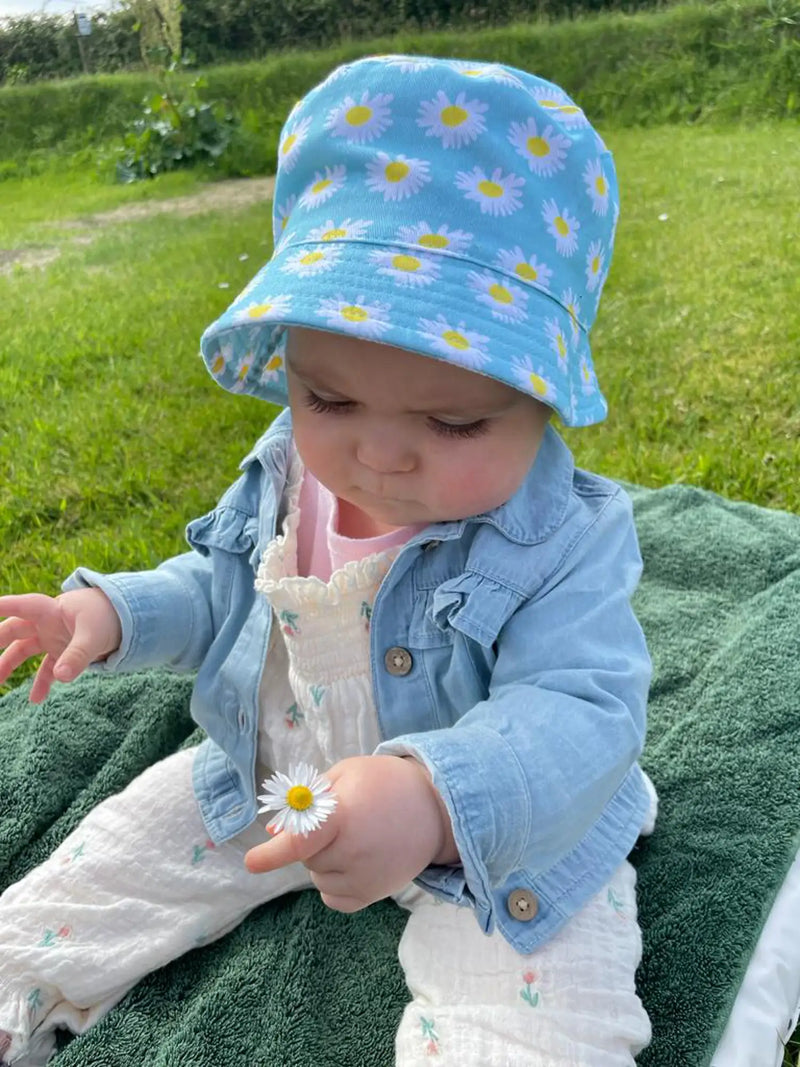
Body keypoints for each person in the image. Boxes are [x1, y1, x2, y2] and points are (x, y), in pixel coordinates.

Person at [0, 54, 656, 1066]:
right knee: (90, 882)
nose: (377, 454)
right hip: (280, 777)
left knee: (537, 1021)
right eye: (328, 399)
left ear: (544, 393)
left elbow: (584, 711)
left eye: (450, 418)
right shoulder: (281, 475)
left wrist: (430, 798)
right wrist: (114, 614)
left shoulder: (565, 538)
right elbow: (220, 586)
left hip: (503, 834)